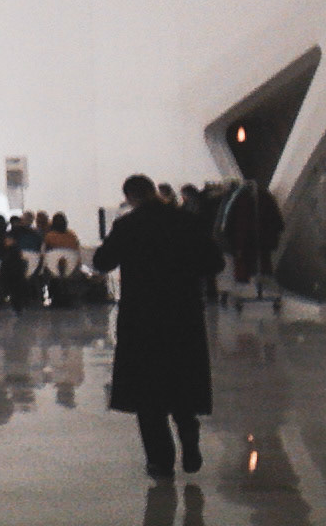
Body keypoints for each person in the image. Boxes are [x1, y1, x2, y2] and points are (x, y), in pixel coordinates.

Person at [92, 174, 224, 480]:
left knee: (148, 390)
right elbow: (215, 264)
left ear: (130, 198)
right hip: (183, 315)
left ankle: (160, 461)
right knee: (181, 380)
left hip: (142, 318)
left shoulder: (127, 225)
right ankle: (188, 436)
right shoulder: (187, 222)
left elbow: (102, 261)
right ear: (154, 191)